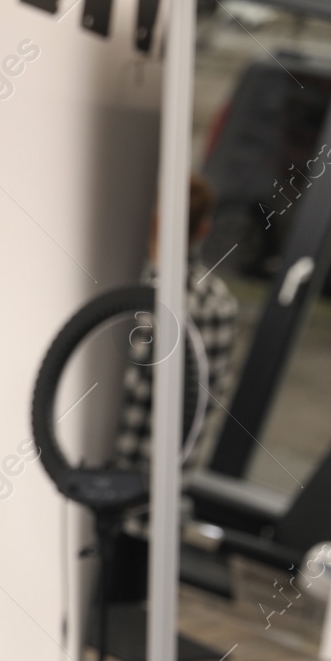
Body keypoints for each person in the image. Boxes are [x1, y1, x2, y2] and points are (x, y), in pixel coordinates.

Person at [113, 173, 241, 470]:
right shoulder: (220, 300)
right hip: (172, 483)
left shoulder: (138, 299)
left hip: (119, 482)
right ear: (203, 228)